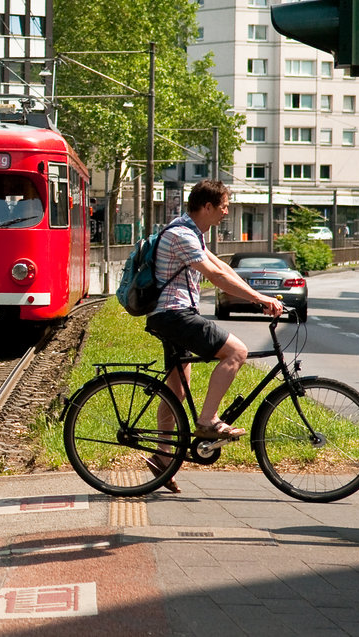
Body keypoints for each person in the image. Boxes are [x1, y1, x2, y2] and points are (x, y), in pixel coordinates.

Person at [143, 179, 284, 493]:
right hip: (175, 314)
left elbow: (221, 265)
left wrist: (258, 293)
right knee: (236, 352)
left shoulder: (192, 232)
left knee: (177, 390)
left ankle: (163, 458)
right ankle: (208, 421)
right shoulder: (182, 234)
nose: (226, 212)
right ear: (207, 206)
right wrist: (261, 301)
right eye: (224, 207)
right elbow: (216, 276)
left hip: (172, 315)